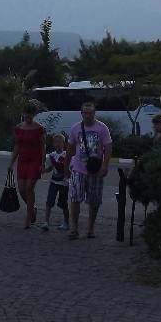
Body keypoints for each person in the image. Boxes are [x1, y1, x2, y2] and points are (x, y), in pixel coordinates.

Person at [65, 101, 112, 239]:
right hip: (78, 169)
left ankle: (91, 228)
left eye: (90, 113)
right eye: (85, 113)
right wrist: (66, 166)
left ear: (94, 113)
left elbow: (108, 147)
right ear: (81, 114)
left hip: (95, 170)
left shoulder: (102, 128)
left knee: (94, 201)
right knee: (75, 198)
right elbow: (70, 149)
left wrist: (105, 165)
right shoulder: (75, 128)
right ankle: (74, 228)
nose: (87, 116)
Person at [8, 100, 46, 229]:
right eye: (26, 114)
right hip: (23, 160)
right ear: (23, 114)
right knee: (22, 190)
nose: (28, 117)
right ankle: (32, 209)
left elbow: (43, 146)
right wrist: (11, 162)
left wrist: (42, 163)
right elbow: (17, 145)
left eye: (30, 115)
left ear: (34, 115)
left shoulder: (39, 128)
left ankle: (28, 217)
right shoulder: (18, 128)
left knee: (29, 188)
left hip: (35, 160)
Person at [37, 132, 69, 232]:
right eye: (55, 142)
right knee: (49, 202)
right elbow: (51, 168)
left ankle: (66, 222)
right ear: (53, 144)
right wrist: (44, 171)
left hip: (64, 184)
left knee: (64, 204)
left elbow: (69, 169)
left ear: (64, 144)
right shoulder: (51, 155)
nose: (57, 144)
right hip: (54, 182)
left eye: (60, 142)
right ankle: (46, 222)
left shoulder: (67, 155)